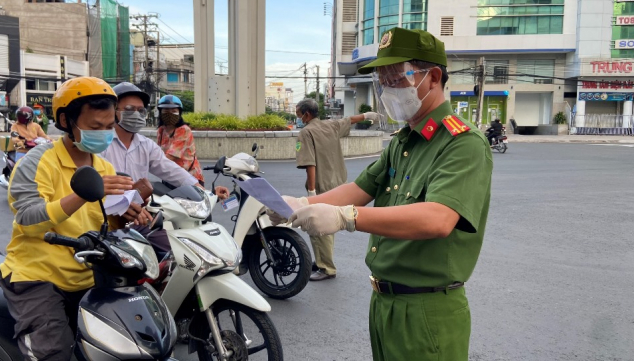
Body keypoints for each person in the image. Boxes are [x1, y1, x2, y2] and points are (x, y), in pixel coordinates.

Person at [269, 28, 493, 360]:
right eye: (382, 80)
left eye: (396, 78)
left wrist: (348, 218)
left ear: (432, 77)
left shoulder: (462, 143)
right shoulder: (403, 142)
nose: (387, 89)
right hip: (384, 303)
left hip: (427, 310)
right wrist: (298, 205)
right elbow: (359, 189)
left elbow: (439, 218)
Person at [0, 77, 149, 361]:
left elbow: (104, 221)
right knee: (54, 353)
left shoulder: (103, 166)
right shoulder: (38, 161)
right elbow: (28, 219)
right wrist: (82, 194)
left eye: (108, 127)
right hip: (37, 277)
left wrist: (129, 216)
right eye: (95, 127)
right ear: (66, 120)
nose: (104, 135)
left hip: (89, 275)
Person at [101, 84, 229, 256]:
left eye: (141, 110)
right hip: (105, 220)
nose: (136, 115)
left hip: (139, 218)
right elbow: (92, 186)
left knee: (179, 255)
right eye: (130, 109)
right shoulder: (101, 144)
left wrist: (204, 191)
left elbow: (170, 169)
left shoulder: (146, 144)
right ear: (113, 111)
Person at [294, 99, 382, 281]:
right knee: (329, 222)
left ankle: (326, 268)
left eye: (298, 113)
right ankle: (321, 261)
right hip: (339, 183)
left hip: (322, 185)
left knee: (318, 227)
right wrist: (367, 116)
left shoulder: (306, 133)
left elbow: (310, 163)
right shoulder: (330, 125)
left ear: (306, 114)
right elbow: (350, 120)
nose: (298, 117)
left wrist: (311, 191)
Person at [156, 95, 205, 186]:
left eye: (174, 111)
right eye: (166, 111)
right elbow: (158, 152)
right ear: (160, 112)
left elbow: (172, 156)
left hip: (189, 177)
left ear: (179, 113)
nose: (170, 114)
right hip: (170, 177)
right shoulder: (161, 130)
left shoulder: (184, 130)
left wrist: (150, 161)